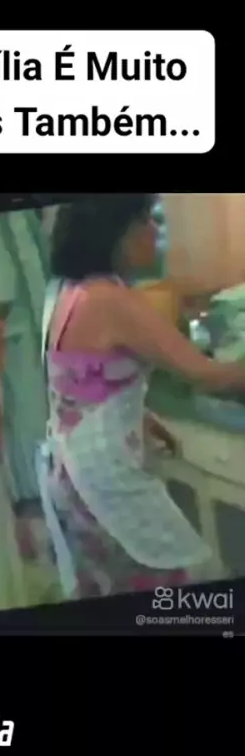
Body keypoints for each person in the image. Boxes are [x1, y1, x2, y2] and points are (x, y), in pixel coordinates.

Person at [39, 194, 245, 600]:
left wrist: (139, 416)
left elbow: (81, 388)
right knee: (189, 582)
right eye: (147, 219)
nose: (156, 230)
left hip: (70, 471)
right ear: (118, 233)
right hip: (104, 480)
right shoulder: (109, 300)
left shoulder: (69, 292)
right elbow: (204, 373)